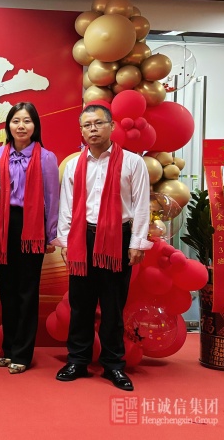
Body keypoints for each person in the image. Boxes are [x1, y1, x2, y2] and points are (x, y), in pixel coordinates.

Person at [53, 104, 151, 391]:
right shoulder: (74, 165)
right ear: (81, 131)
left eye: (98, 123)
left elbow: (141, 205)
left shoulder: (133, 162)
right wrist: (65, 241)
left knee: (112, 306)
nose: (92, 129)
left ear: (111, 126)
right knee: (80, 304)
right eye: (87, 125)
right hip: (82, 238)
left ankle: (113, 365)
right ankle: (77, 360)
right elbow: (66, 206)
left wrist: (137, 242)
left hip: (117, 238)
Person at [0, 102, 59, 374]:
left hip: (32, 226)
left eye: (27, 121)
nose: (21, 126)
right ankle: (9, 348)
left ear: (35, 126)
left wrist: (51, 234)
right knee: (6, 289)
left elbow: (52, 198)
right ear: (8, 125)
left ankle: (22, 353)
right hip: (3, 224)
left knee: (27, 291)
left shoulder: (46, 158)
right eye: (16, 121)